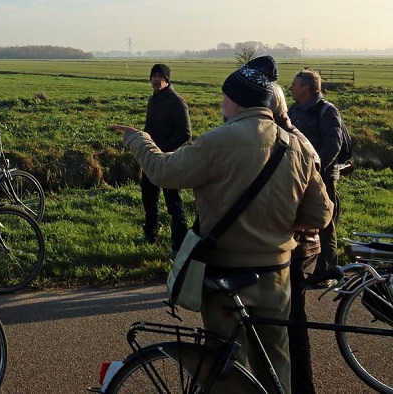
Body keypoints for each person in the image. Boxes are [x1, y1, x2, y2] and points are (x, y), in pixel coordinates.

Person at [110, 56, 332, 393]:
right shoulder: (297, 146)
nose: (221, 102)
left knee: (227, 367)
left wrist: (138, 140)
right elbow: (321, 215)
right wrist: (282, 223)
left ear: (236, 100)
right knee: (276, 364)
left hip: (226, 276)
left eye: (224, 96)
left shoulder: (217, 141)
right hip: (277, 275)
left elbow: (164, 172)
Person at [269, 84, 323, 394]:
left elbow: (316, 207)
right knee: (292, 322)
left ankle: (300, 386)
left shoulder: (289, 144)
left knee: (292, 324)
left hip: (296, 247)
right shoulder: (294, 137)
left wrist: (287, 227)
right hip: (303, 245)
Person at [289, 68, 347, 284]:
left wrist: (315, 169)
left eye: (295, 84)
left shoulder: (328, 111)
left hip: (322, 177)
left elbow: (334, 144)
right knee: (301, 222)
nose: (291, 87)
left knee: (325, 223)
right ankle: (302, 267)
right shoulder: (294, 109)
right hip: (298, 176)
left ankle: (327, 272)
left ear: (306, 87)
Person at [140, 63, 191, 252]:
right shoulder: (153, 100)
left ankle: (180, 242)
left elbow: (185, 134)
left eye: (160, 76)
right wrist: (144, 147)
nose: (156, 80)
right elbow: (149, 128)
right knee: (149, 197)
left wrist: (163, 151)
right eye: (153, 76)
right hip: (151, 158)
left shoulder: (176, 101)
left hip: (169, 159)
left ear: (167, 79)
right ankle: (150, 233)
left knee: (173, 202)